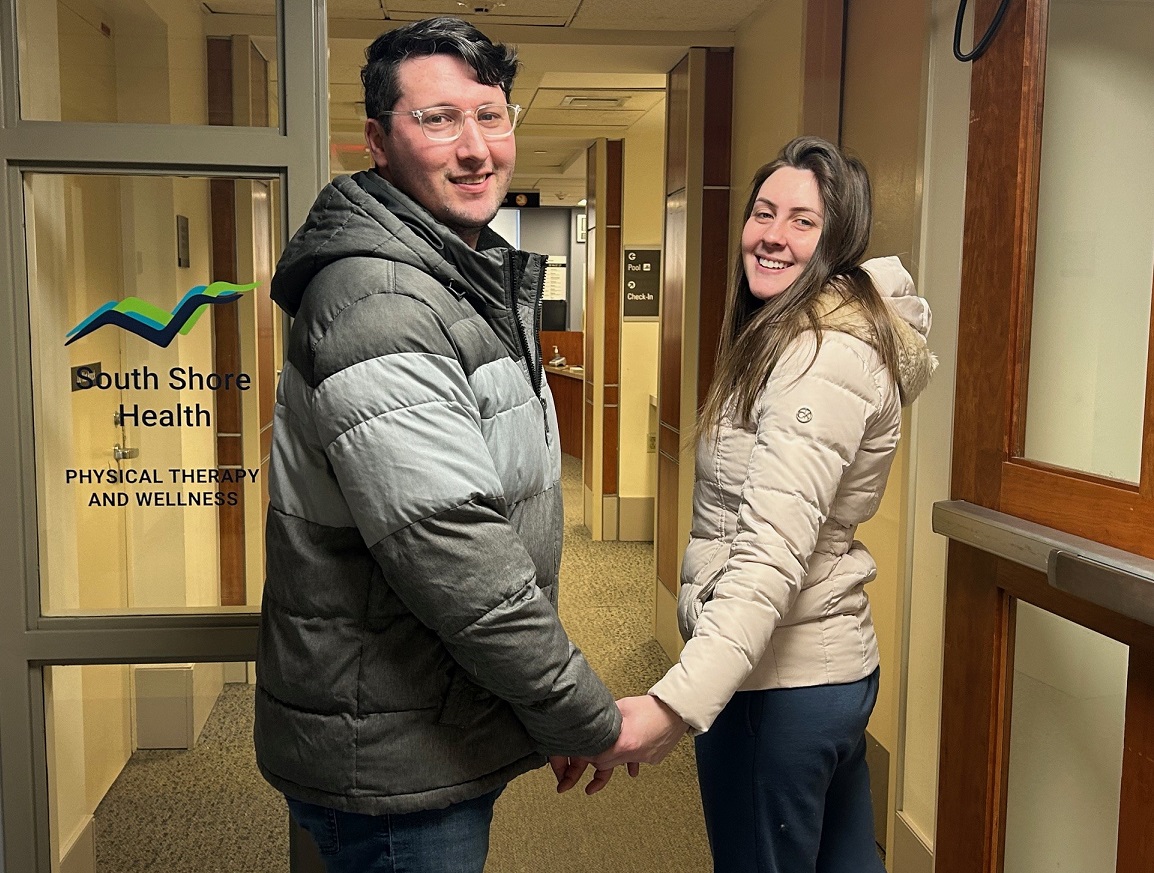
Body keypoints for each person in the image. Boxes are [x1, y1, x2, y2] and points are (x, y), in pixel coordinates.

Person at [253, 17, 622, 873]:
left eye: (491, 116)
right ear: (379, 141)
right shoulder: (381, 298)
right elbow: (455, 553)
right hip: (394, 752)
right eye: (439, 119)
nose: (475, 148)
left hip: (426, 722)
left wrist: (532, 707)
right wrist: (576, 710)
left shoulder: (457, 275)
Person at [585, 137, 936, 872]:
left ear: (838, 241)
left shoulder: (818, 356)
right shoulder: (804, 338)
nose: (773, 235)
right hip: (827, 673)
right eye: (764, 212)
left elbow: (770, 554)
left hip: (777, 687)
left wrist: (675, 704)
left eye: (803, 221)